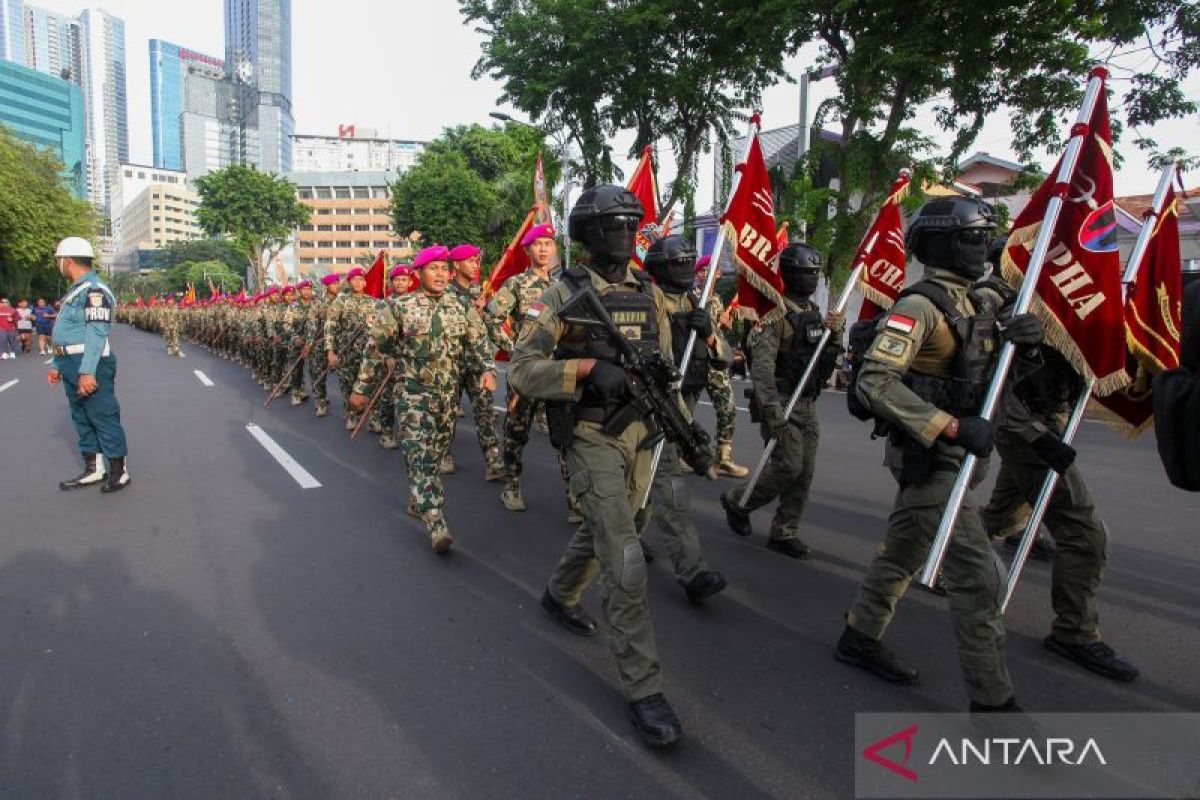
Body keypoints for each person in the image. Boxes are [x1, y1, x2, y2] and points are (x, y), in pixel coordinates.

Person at [835, 196, 1043, 712]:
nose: (984, 246)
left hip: (968, 454)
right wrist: (949, 425)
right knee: (978, 578)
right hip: (929, 456)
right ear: (942, 244)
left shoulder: (988, 302)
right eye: (973, 236)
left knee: (904, 551)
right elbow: (875, 381)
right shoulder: (918, 306)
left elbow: (993, 381)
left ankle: (859, 636)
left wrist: (1030, 346)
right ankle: (994, 704)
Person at [510, 184, 693, 748]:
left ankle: (559, 594)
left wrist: (684, 427)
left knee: (619, 528)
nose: (627, 236)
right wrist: (586, 368)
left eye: (631, 225)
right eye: (616, 226)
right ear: (589, 233)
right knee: (624, 554)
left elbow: (663, 370)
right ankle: (645, 688)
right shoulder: (563, 294)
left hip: (643, 430)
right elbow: (521, 370)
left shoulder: (648, 292)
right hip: (592, 433)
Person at [979, 344, 1139, 681]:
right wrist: (1037, 437)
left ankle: (933, 555)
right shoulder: (1031, 304)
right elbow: (994, 380)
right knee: (1084, 534)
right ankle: (1074, 632)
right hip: (1027, 432)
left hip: (1049, 423)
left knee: (1006, 516)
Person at [350, 245, 497, 553]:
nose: (441, 273)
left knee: (437, 449)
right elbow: (377, 347)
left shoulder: (460, 306)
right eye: (434, 268)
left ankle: (418, 497)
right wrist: (361, 388)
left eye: (445, 268)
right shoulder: (399, 307)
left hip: (447, 396)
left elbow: (479, 339)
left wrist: (487, 368)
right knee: (419, 453)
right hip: (413, 393)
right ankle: (435, 518)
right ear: (419, 273)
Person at [721, 242, 843, 559]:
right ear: (789, 274)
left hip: (806, 400)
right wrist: (772, 411)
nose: (813, 278)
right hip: (780, 399)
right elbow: (760, 370)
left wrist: (835, 336)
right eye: (806, 272)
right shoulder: (774, 317)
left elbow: (824, 364)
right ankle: (738, 501)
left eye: (815, 272)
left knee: (804, 472)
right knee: (788, 465)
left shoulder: (815, 315)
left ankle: (784, 531)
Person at [637, 235, 728, 602]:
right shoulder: (648, 301)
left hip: (685, 398)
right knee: (668, 486)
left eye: (691, 259)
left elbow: (725, 355)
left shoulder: (697, 301)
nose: (688, 266)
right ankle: (692, 571)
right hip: (656, 404)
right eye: (680, 261)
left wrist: (707, 335)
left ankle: (625, 532)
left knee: (646, 481)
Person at [48, 236, 131, 492]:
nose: (58, 265)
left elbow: (96, 332)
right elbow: (67, 331)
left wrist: (86, 372)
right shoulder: (76, 291)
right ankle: (94, 469)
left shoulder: (94, 291)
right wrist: (56, 363)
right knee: (82, 417)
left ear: (68, 261)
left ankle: (119, 471)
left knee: (102, 415)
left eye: (58, 261)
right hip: (70, 362)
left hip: (90, 362)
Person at [486, 223, 557, 511]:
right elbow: (492, 318)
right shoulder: (516, 284)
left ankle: (575, 500)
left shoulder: (562, 286)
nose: (543, 249)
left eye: (548, 244)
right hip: (527, 371)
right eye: (537, 244)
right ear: (527, 250)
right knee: (517, 430)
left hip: (557, 370)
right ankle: (512, 486)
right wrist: (514, 350)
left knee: (565, 433)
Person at [448, 243, 504, 480]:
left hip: (477, 364)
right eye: (470, 261)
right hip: (450, 364)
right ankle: (443, 456)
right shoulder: (445, 294)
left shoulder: (479, 294)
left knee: (484, 412)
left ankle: (493, 461)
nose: (474, 265)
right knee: (446, 413)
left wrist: (516, 350)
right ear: (457, 264)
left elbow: (492, 327)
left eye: (476, 261)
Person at [693, 255, 750, 477]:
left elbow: (716, 329)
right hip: (694, 362)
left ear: (718, 274)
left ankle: (723, 457)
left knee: (727, 409)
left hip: (715, 362)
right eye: (702, 270)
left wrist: (724, 325)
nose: (706, 273)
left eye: (711, 269)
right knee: (683, 409)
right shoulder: (691, 296)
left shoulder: (717, 299)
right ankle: (679, 453)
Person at [324, 267, 376, 431]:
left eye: (361, 279)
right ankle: (352, 415)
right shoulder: (341, 301)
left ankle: (372, 416)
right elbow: (330, 326)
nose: (358, 282)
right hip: (347, 351)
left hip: (369, 353)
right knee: (348, 384)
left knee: (370, 383)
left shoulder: (372, 302)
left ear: (365, 282)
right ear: (349, 282)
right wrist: (330, 351)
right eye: (355, 279)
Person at [309, 273, 342, 417]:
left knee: (345, 377)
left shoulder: (344, 301)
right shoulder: (319, 303)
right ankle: (320, 401)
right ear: (327, 286)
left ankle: (351, 408)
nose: (336, 286)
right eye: (333, 284)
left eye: (337, 283)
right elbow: (311, 322)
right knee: (318, 373)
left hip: (341, 343)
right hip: (321, 343)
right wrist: (310, 341)